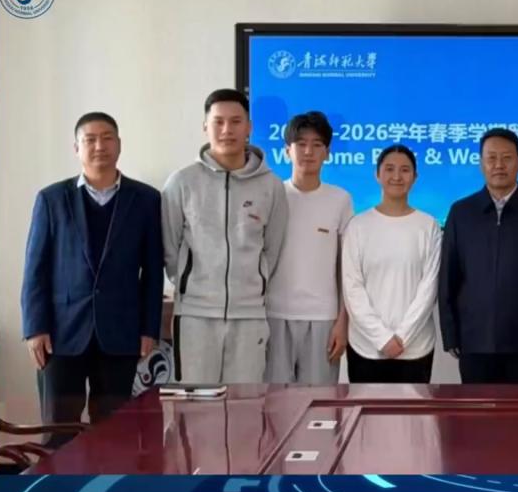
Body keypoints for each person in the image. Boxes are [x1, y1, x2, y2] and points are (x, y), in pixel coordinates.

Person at [21, 111, 163, 447]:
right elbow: (35, 268)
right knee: (59, 430)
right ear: (77, 148)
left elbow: (152, 269)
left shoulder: (145, 199)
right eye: (90, 139)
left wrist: (149, 329)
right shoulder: (52, 199)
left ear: (119, 145)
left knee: (115, 432)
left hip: (121, 332)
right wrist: (34, 328)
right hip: (60, 334)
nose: (100, 146)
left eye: (107, 138)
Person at [162, 89, 287, 384]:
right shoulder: (182, 182)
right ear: (205, 126)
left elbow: (272, 249)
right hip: (195, 315)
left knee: (245, 402)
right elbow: (170, 248)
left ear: (249, 127)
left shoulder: (271, 186)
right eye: (218, 122)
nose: (227, 130)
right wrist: (190, 284)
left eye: (235, 121)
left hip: (250, 316)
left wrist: (253, 284)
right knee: (195, 402)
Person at [439, 128, 518, 384]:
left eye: (506, 158)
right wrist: (450, 334)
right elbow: (448, 279)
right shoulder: (461, 213)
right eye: (491, 158)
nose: (498, 165)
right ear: (480, 163)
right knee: (477, 411)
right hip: (475, 341)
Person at [266, 111, 352, 384]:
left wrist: (342, 322)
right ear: (287, 151)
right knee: (276, 401)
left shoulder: (340, 199)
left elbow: (345, 268)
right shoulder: (272, 195)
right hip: (274, 314)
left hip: (323, 317)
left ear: (327, 152)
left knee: (321, 400)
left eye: (317, 145)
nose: (308, 151)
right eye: (301, 144)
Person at [342, 145, 441, 383]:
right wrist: (382, 338)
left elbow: (429, 288)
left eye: (405, 170)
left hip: (415, 348)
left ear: (415, 177)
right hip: (366, 347)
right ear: (377, 175)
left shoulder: (428, 225)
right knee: (366, 409)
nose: (397, 176)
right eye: (389, 169)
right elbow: (352, 287)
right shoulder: (358, 226)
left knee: (413, 410)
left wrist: (402, 336)